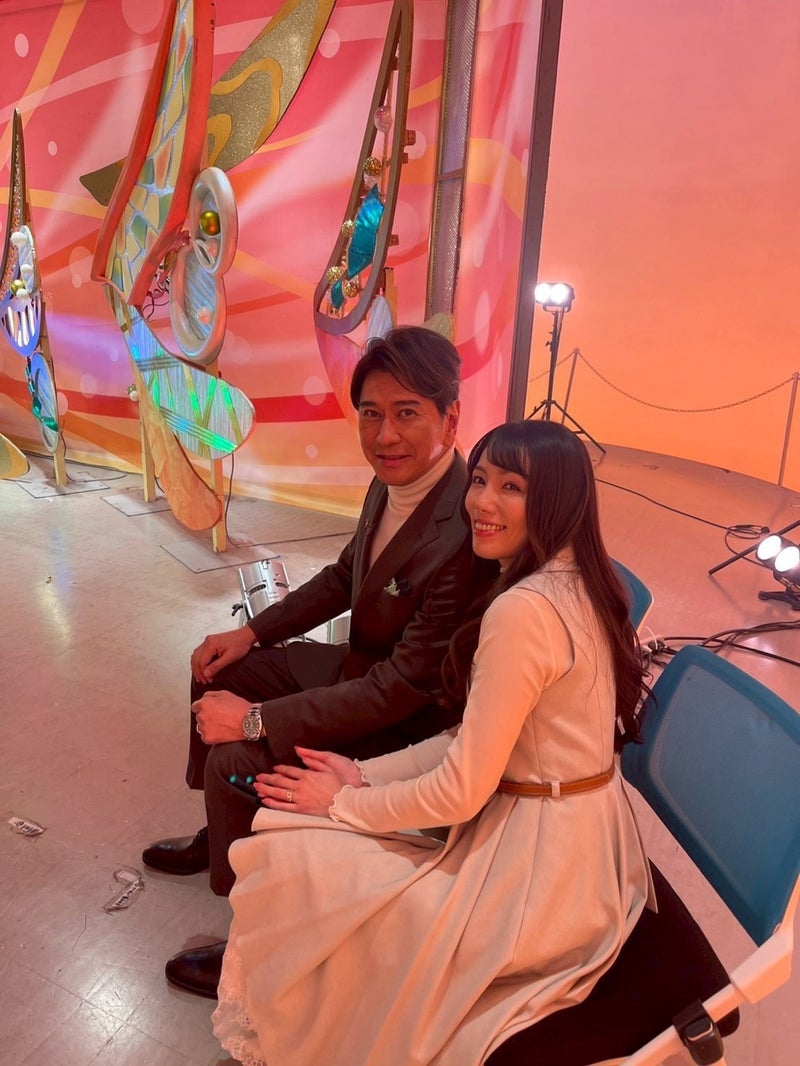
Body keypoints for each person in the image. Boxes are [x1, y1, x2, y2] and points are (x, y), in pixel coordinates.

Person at [211, 419, 653, 1066]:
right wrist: (363, 777)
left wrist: (343, 801)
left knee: (293, 848)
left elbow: (461, 788)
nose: (482, 502)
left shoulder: (522, 609)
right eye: (481, 480)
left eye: (512, 487)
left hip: (541, 871)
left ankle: (278, 1005)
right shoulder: (572, 577)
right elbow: (472, 736)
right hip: (580, 840)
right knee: (303, 834)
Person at [146, 326, 492, 996]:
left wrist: (256, 721)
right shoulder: (392, 483)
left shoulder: (460, 531)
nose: (385, 436)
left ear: (451, 418)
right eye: (371, 414)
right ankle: (219, 830)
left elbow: (401, 689)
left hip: (401, 722)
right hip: (359, 672)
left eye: (407, 413)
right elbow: (342, 578)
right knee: (214, 669)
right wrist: (251, 633)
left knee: (234, 758)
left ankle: (251, 940)